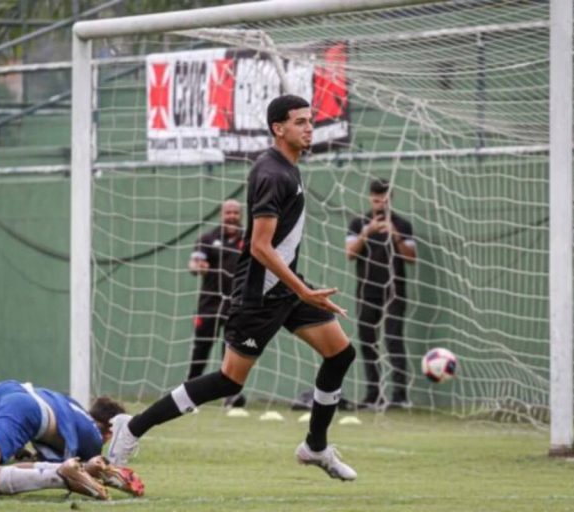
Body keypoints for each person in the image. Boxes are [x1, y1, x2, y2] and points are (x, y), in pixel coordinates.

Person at [106, 94, 358, 481]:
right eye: (301, 121)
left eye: (311, 120)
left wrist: (297, 289)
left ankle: (316, 447)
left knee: (340, 354)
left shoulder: (288, 167)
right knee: (228, 380)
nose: (310, 127)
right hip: (259, 296)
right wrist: (302, 291)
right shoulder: (273, 173)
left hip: (286, 288)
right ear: (279, 128)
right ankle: (133, 427)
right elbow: (259, 246)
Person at [346, 178, 417, 410]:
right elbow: (350, 253)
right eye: (376, 199)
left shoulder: (403, 225)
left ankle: (400, 396)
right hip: (367, 291)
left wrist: (395, 234)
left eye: (383, 198)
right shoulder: (358, 223)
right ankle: (373, 395)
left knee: (393, 339)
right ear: (370, 198)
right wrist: (367, 232)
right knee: (368, 342)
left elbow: (411, 258)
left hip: (394, 291)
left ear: (390, 198)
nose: (379, 203)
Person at [187, 198, 246, 408]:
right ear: (222, 214)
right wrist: (197, 266)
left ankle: (231, 397)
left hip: (237, 305)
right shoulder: (207, 238)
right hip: (209, 304)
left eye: (235, 213)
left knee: (231, 352)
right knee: (201, 350)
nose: (231, 216)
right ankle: (189, 395)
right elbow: (194, 263)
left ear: (240, 215)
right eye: (228, 212)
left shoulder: (248, 239)